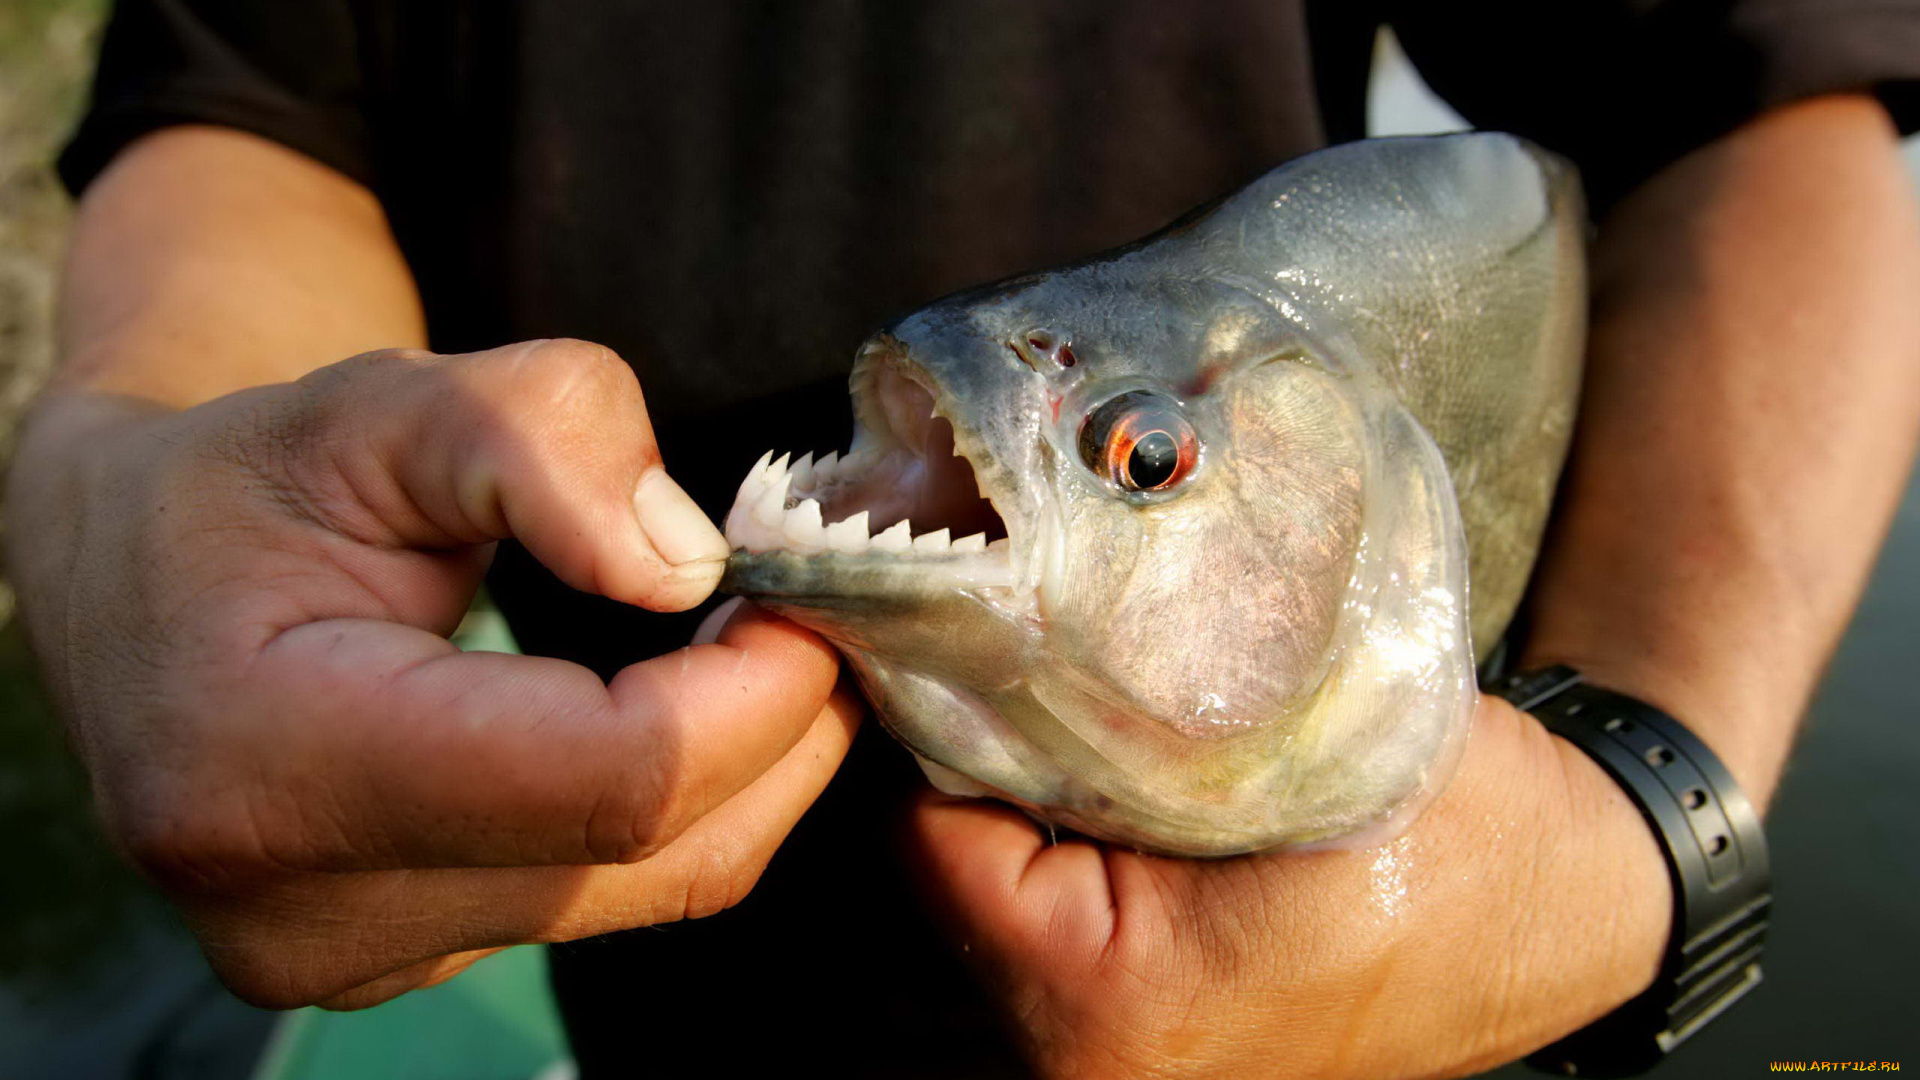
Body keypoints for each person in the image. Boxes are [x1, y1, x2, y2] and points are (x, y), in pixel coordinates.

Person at [8, 2, 1920, 1076]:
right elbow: (240, 121)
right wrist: (136, 496)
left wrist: (1642, 828)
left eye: (1140, 459)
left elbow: (1758, 103)